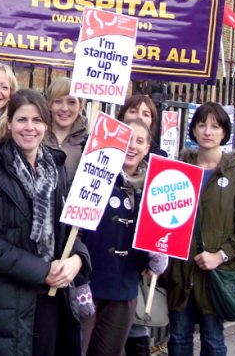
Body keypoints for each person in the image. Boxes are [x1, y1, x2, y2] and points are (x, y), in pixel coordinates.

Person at [0, 89, 91, 356]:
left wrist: (77, 260)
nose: (29, 127)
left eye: (37, 120)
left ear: (46, 125)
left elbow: (72, 230)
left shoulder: (56, 169)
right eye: (22, 120)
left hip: (53, 298)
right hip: (7, 301)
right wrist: (43, 270)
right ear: (9, 123)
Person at [163, 102, 235, 356]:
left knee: (213, 341)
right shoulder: (177, 170)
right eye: (202, 125)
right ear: (193, 130)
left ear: (224, 133)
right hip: (180, 275)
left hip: (215, 277)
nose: (208, 131)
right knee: (179, 340)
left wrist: (220, 255)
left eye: (215, 126)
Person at [81, 120, 168, 356]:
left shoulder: (155, 188)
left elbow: (161, 232)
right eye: (127, 139)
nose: (132, 146)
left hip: (123, 289)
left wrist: (157, 254)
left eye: (139, 141)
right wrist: (78, 282)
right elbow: (75, 230)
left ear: (148, 147)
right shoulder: (95, 173)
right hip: (87, 285)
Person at [117, 94, 168, 356]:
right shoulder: (103, 163)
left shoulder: (161, 171)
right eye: (133, 111)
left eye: (146, 113)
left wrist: (157, 253)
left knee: (136, 333)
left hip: (137, 272)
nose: (138, 116)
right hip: (103, 273)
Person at [43, 77, 88, 182]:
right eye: (58, 101)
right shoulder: (36, 136)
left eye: (71, 102)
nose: (64, 108)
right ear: (49, 105)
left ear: (80, 106)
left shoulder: (89, 142)